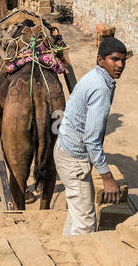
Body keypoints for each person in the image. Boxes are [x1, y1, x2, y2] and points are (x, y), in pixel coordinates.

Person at [54, 37, 130, 235]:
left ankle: (65, 250)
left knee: (77, 213)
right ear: (100, 60)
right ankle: (77, 265)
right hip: (74, 160)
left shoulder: (95, 77)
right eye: (115, 59)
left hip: (65, 149)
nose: (120, 65)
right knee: (86, 225)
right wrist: (107, 177)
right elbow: (91, 140)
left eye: (123, 60)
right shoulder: (100, 88)